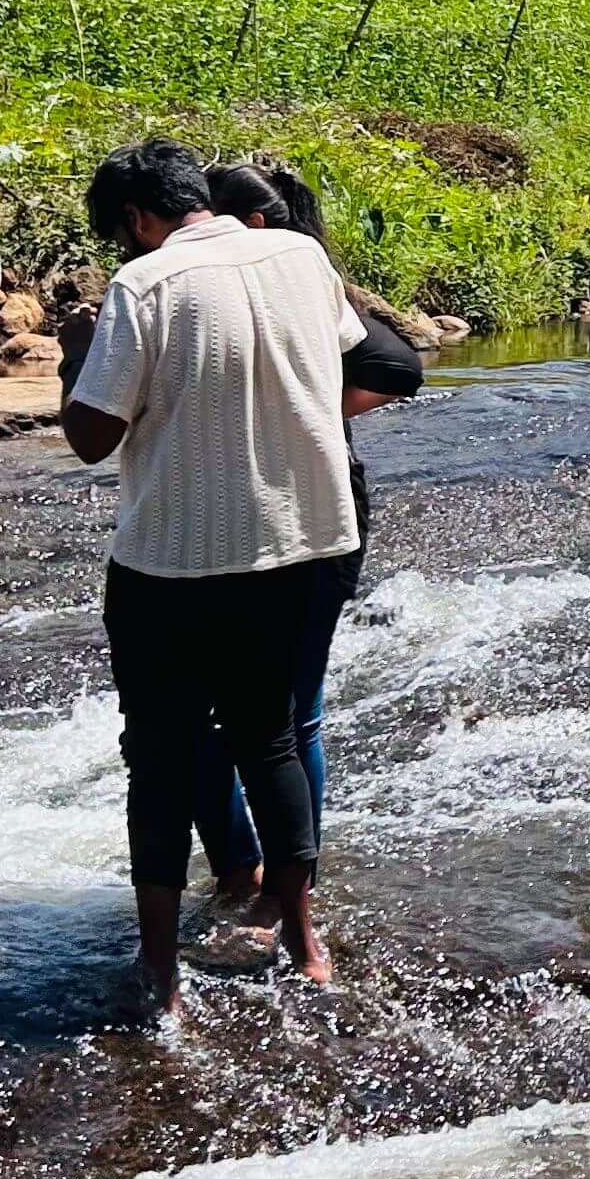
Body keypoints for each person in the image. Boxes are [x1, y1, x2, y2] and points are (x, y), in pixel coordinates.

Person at [58, 138, 387, 1018]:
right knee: (271, 739)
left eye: (120, 233)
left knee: (159, 759)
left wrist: (77, 354)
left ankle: (161, 974)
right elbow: (351, 355)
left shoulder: (143, 286)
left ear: (136, 219)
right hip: (299, 541)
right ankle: (306, 943)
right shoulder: (300, 254)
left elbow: (93, 436)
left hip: (175, 561)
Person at [186, 159, 421, 863]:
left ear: (250, 223)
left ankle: (269, 879)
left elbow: (400, 368)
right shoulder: (296, 279)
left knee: (266, 716)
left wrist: (305, 406)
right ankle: (264, 879)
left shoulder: (289, 281)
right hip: (291, 511)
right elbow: (399, 369)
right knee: (271, 716)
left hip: (286, 514)